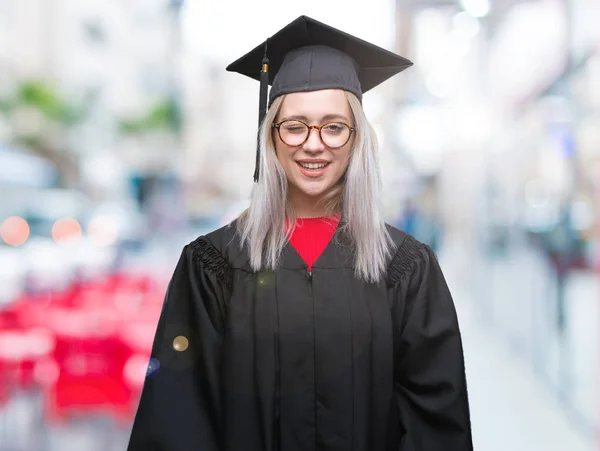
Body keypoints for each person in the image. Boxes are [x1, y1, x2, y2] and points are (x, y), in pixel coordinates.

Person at [127, 15, 473, 451]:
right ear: (270, 138)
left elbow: (435, 427)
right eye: (294, 126)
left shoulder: (405, 268)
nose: (314, 144)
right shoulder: (214, 266)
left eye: (333, 126)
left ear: (357, 140)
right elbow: (178, 417)